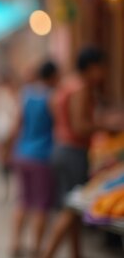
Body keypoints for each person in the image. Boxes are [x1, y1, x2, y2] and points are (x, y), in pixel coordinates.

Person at [41, 47, 106, 258]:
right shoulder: (81, 87)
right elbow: (80, 126)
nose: (103, 72)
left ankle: (76, 253)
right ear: (91, 66)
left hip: (61, 148)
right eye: (101, 67)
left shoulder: (66, 85)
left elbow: (55, 110)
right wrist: (107, 125)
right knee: (70, 208)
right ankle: (47, 253)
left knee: (72, 207)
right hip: (73, 151)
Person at [3, 61, 59, 257]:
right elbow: (58, 127)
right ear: (53, 77)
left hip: (23, 154)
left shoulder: (25, 95)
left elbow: (16, 125)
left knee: (23, 201)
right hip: (42, 156)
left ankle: (15, 244)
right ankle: (36, 248)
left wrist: (9, 149)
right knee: (41, 204)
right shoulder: (52, 97)